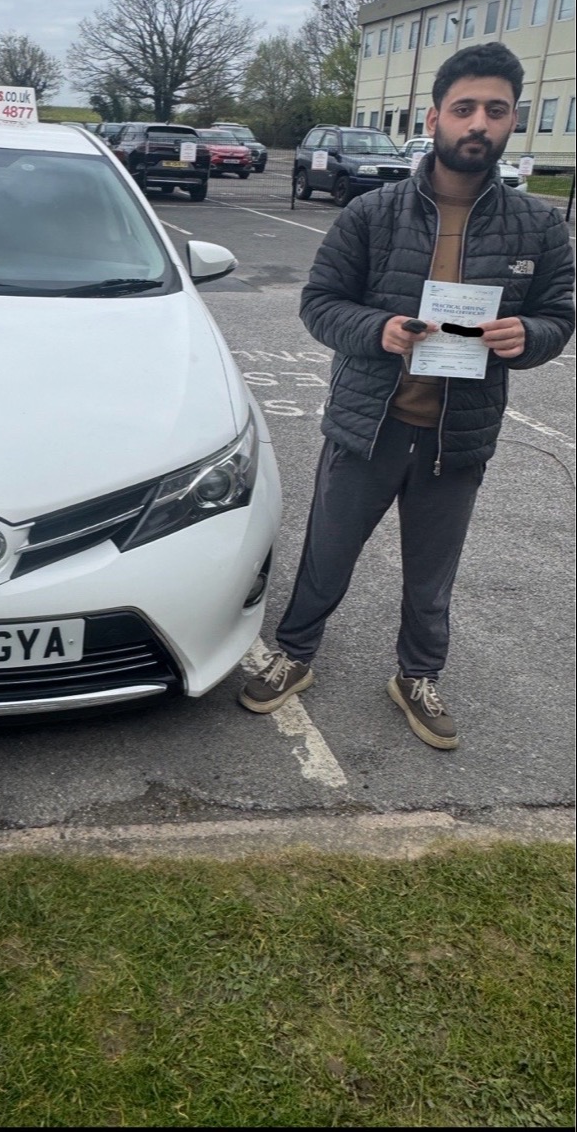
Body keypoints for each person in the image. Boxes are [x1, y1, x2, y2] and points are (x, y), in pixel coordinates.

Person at [239, 42, 574, 749]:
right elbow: (319, 303)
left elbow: (558, 316)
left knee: (431, 572)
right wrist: (379, 330)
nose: (478, 123)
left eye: (495, 110)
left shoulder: (539, 226)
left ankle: (417, 675)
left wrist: (530, 335)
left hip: (458, 434)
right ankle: (294, 653)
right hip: (370, 423)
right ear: (433, 119)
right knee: (328, 552)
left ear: (513, 121)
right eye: (464, 108)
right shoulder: (374, 212)